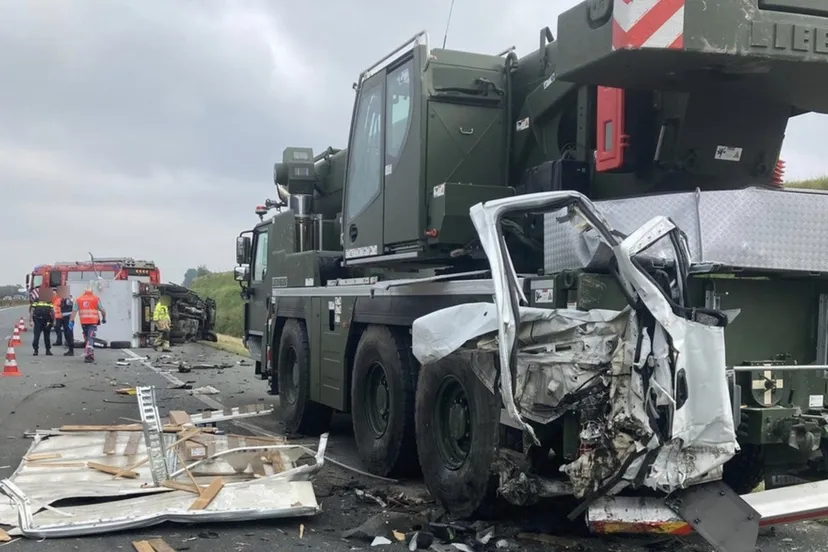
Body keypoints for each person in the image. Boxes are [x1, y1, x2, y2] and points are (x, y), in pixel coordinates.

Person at [69, 285, 107, 363]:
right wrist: (104, 318)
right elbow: (102, 310)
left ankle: (90, 355)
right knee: (91, 338)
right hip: (93, 322)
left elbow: (74, 311)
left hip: (84, 322)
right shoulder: (95, 298)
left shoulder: (79, 299)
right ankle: (89, 356)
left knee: (87, 338)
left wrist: (71, 321)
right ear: (92, 292)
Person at [29, 292, 55, 356]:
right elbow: (32, 310)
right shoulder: (36, 300)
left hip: (47, 320)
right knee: (36, 337)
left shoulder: (49, 301)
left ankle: (48, 350)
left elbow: (52, 311)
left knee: (47, 337)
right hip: (38, 320)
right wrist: (31, 319)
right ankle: (36, 350)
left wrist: (54, 320)